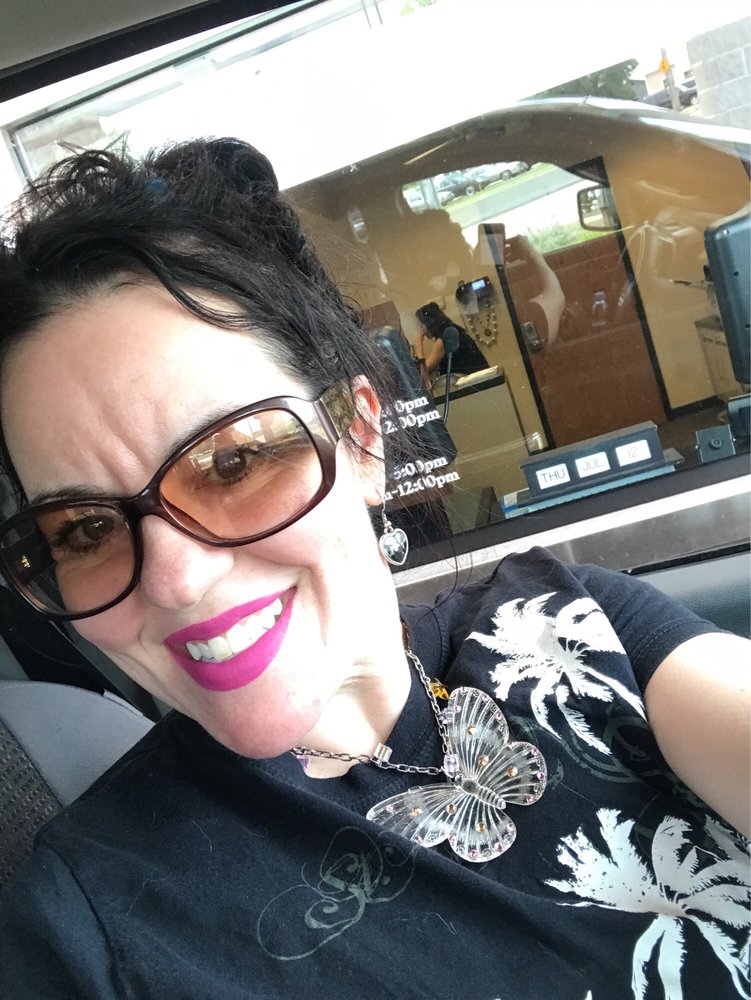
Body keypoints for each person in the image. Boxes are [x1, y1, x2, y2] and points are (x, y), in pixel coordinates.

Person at [0, 138, 748, 1000]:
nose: (175, 580)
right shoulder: (89, 929)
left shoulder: (579, 628)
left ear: (359, 439)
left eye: (233, 463)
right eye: (84, 529)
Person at [414, 301, 490, 378]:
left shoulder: (443, 340)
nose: (422, 330)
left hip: (474, 379)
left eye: (422, 326)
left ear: (428, 324)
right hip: (481, 376)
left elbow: (424, 371)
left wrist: (418, 344)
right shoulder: (453, 331)